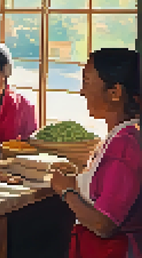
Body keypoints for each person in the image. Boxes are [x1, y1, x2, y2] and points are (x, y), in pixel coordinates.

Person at [50, 48, 142, 258]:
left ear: (115, 92)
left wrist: (66, 191)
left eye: (88, 81)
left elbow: (104, 224)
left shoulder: (125, 145)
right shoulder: (121, 136)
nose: (82, 91)